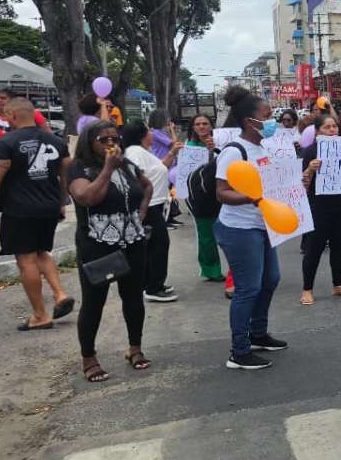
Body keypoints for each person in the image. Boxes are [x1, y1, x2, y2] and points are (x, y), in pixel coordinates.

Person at [67, 121, 152, 382]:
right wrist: (107, 169)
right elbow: (88, 197)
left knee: (133, 298)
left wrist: (142, 212)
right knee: (94, 302)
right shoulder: (79, 168)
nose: (110, 144)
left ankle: (135, 348)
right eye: (103, 140)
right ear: (89, 143)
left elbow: (146, 187)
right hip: (98, 246)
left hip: (132, 243)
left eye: (114, 139)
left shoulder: (126, 165)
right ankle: (89, 357)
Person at [214, 86, 287, 370]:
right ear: (249, 121)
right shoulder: (235, 151)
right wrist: (254, 198)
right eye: (267, 117)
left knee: (271, 279)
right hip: (239, 229)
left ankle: (258, 333)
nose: (273, 122)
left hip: (262, 226)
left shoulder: (262, 147)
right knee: (248, 288)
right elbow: (222, 192)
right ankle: (239, 350)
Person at [0, 97, 74, 330]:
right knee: (41, 251)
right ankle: (60, 294)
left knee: (25, 258)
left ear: (12, 115)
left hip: (19, 209)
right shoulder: (55, 141)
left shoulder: (5, 143)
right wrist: (61, 201)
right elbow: (66, 172)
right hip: (49, 206)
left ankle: (40, 315)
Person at [298, 115, 341, 306]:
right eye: (327, 127)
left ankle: (338, 285)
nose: (332, 130)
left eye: (334, 127)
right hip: (320, 207)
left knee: (339, 246)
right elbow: (303, 183)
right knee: (314, 248)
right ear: (317, 132)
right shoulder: (311, 151)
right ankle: (307, 289)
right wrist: (310, 168)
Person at [121, 120, 183, 303]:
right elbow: (135, 178)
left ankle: (152, 283)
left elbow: (160, 168)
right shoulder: (134, 153)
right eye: (148, 131)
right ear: (141, 135)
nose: (152, 135)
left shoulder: (143, 152)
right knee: (158, 245)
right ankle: (153, 287)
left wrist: (172, 153)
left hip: (154, 204)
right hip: (147, 206)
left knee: (153, 246)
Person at [184, 114, 227, 285]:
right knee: (207, 236)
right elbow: (193, 175)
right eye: (197, 124)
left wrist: (215, 150)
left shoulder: (221, 144)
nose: (201, 127)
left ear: (211, 126)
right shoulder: (189, 147)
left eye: (205, 123)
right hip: (199, 199)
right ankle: (211, 270)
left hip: (220, 195)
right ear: (193, 128)